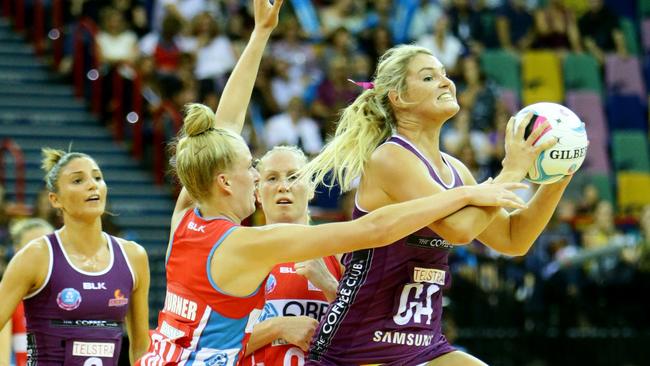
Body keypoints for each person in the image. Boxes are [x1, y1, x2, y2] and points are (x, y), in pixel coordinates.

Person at [137, 2, 528, 364]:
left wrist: (260, 35)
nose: (256, 178)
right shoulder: (250, 242)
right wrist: (468, 192)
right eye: (253, 170)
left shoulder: (186, 218)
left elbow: (224, 128)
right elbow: (372, 228)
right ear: (223, 181)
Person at [300, 44, 572, 365]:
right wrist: (512, 169)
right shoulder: (391, 157)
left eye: (444, 74)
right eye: (429, 77)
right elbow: (458, 230)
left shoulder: (457, 170)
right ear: (398, 98)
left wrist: (559, 175)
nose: (446, 82)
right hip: (359, 345)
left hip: (422, 343)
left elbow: (513, 239)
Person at [0, 149, 151, 365]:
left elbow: (141, 348)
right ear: (55, 199)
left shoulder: (133, 256)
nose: (92, 184)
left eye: (97, 177)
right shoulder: (36, 256)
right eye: (78, 180)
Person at [242, 146, 342, 366]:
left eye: (294, 176)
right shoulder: (238, 252)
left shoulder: (338, 252)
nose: (284, 187)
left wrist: (330, 286)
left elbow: (366, 337)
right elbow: (215, 346)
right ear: (257, 192)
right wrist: (278, 327)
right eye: (272, 178)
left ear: (312, 188)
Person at [0, 219, 54, 366]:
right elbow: (2, 360)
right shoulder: (7, 296)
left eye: (47, 246)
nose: (41, 254)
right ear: (17, 249)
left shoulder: (72, 294)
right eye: (34, 247)